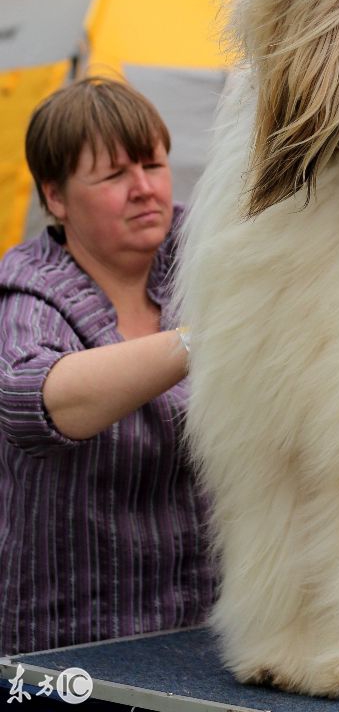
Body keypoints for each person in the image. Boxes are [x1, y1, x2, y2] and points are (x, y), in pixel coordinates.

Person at [0, 77, 215, 655]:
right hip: (69, 643)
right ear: (56, 198)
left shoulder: (204, 255)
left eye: (153, 164)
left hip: (202, 631)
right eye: (115, 175)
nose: (145, 189)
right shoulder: (28, 289)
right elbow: (31, 401)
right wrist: (205, 340)